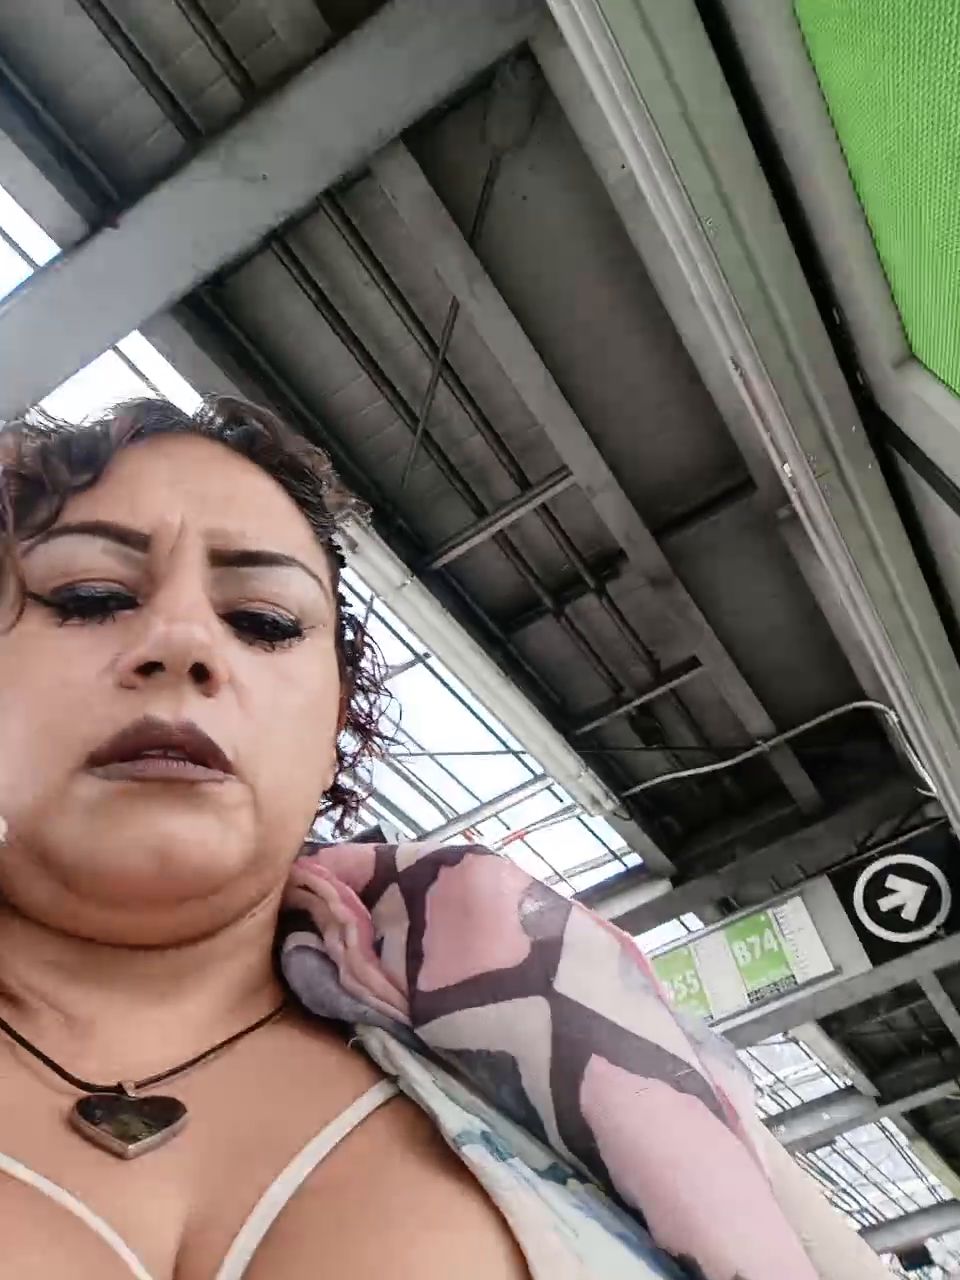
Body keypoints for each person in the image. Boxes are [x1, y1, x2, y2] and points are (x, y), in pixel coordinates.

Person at [0, 395, 891, 1279]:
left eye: (266, 621)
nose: (183, 642)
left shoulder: (584, 1045)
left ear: (334, 729)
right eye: (90, 596)